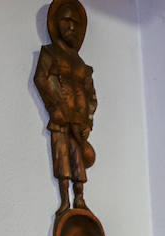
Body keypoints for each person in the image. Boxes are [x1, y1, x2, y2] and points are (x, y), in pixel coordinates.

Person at [33, 0, 96, 212]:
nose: (71, 27)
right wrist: (55, 106)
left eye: (75, 23)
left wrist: (88, 122)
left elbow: (91, 96)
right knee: (62, 158)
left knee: (78, 161)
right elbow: (41, 79)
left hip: (78, 123)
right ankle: (65, 201)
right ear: (56, 23)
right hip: (61, 118)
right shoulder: (50, 54)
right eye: (66, 21)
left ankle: (80, 197)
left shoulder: (81, 64)